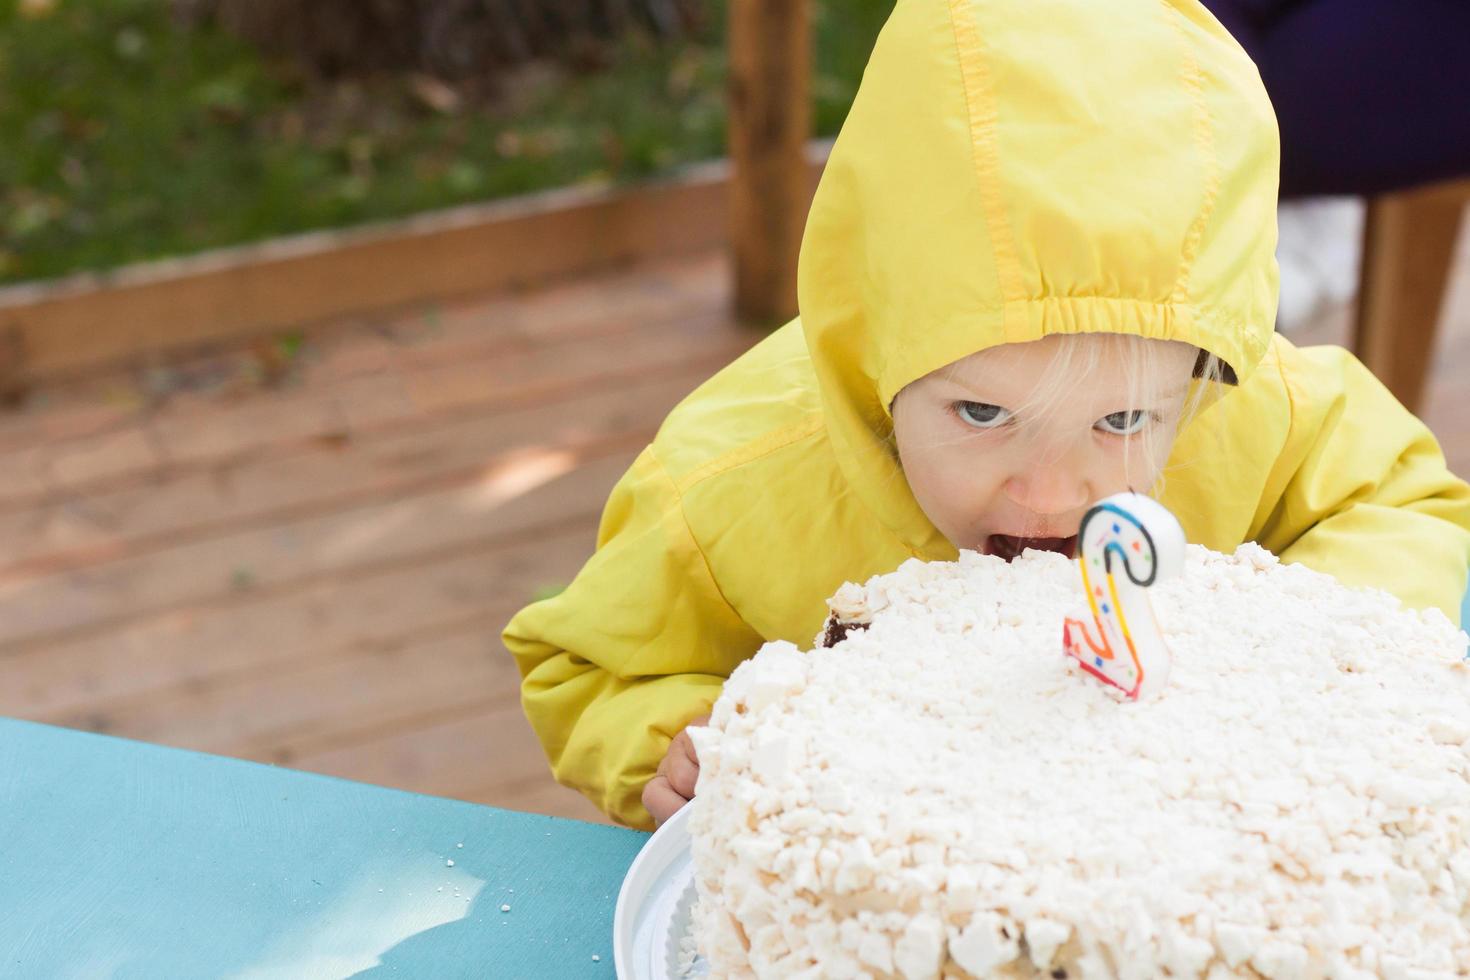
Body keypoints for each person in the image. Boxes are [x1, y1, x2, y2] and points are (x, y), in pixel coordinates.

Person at [502, 0, 1470, 830]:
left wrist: (1293, 640)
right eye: (980, 411)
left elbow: (1400, 501)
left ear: (1198, 375)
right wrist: (674, 741)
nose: (1051, 492)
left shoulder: (1247, 410)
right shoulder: (734, 484)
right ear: (879, 348)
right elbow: (587, 665)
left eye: (1125, 422)